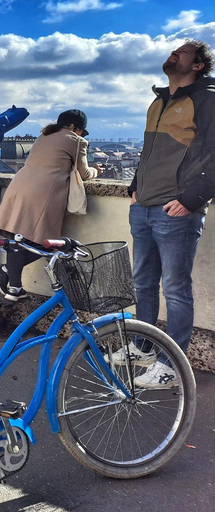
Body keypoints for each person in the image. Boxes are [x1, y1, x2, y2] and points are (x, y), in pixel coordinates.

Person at [122, 39, 215, 389]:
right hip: (144, 205)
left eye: (184, 52)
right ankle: (143, 349)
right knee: (142, 283)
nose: (175, 53)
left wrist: (193, 199)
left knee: (175, 289)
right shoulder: (158, 101)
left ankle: (171, 365)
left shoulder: (208, 99)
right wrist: (133, 187)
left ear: (198, 66)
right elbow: (148, 153)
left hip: (176, 209)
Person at [0, 109, 98, 301]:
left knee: (20, 239)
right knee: (48, 245)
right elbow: (83, 173)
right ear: (74, 127)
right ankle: (7, 272)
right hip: (43, 194)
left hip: (20, 187)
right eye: (81, 130)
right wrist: (96, 171)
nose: (81, 134)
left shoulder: (44, 136)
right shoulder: (76, 141)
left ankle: (14, 286)